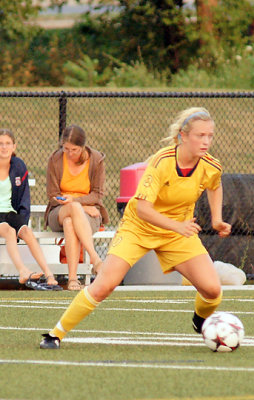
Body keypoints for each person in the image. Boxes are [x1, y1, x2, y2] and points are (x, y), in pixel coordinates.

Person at [40, 107, 231, 349]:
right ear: (183, 135)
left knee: (213, 290)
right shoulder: (162, 162)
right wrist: (177, 225)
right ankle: (55, 334)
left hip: (176, 232)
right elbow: (143, 209)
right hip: (139, 228)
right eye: (200, 135)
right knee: (104, 286)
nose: (206, 141)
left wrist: (216, 219)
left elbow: (215, 184)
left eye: (210, 136)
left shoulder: (211, 165)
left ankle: (200, 319)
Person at [44, 124, 109, 291]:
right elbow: (52, 194)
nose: (69, 153)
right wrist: (79, 205)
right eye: (66, 149)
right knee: (70, 211)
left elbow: (97, 194)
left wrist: (77, 202)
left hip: (89, 215)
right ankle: (96, 260)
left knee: (70, 222)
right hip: (59, 210)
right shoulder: (55, 159)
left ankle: (72, 279)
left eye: (74, 150)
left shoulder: (96, 160)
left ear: (82, 147)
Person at [0, 129, 61, 289]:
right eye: (0, 144)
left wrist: (22, 222)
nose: (4, 147)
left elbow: (24, 199)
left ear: (14, 146)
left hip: (11, 213)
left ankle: (49, 274)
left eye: (7, 144)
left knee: (26, 231)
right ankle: (23, 272)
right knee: (9, 231)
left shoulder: (19, 166)